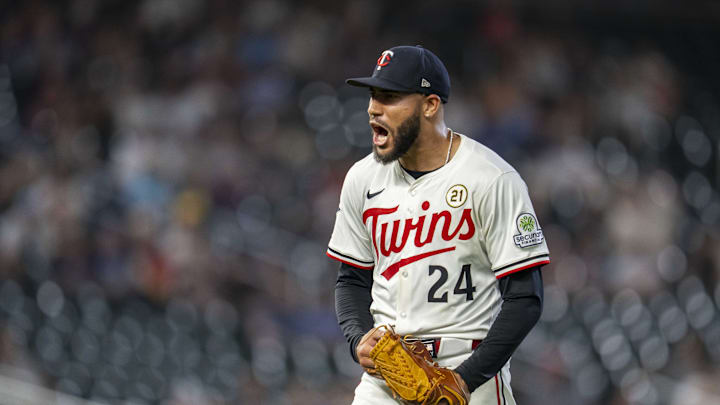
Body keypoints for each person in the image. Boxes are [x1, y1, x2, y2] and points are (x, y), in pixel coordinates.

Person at [327, 45, 550, 404]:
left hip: (467, 368)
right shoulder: (362, 178)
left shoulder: (492, 178)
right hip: (387, 373)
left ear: (430, 105)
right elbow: (351, 277)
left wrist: (465, 378)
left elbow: (526, 298)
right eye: (373, 96)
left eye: (390, 96)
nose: (373, 108)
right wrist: (356, 339)